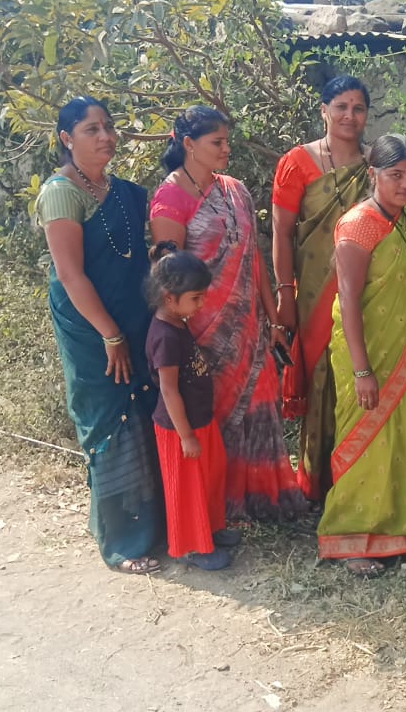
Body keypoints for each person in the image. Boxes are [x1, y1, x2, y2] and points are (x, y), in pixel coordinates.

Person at [317, 134, 406, 577]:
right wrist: (362, 370)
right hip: (366, 353)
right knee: (366, 440)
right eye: (395, 175)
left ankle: (399, 533)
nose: (405, 185)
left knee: (404, 440)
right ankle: (350, 537)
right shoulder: (358, 226)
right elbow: (348, 300)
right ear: (373, 175)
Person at [150, 105, 304, 521]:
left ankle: (262, 498)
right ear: (188, 144)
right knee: (213, 412)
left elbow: (252, 257)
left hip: (250, 326)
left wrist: (273, 319)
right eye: (217, 142)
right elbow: (170, 279)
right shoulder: (170, 199)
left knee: (261, 404)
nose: (226, 149)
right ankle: (220, 506)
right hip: (202, 330)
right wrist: (177, 340)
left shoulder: (235, 189)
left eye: (227, 142)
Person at [35, 96, 164, 574]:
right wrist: (111, 335)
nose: (106, 136)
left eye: (108, 127)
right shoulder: (60, 193)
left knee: (145, 410)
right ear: (66, 138)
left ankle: (158, 526)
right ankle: (123, 540)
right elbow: (71, 275)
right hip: (92, 330)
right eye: (92, 129)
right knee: (109, 418)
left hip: (133, 317)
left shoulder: (122, 191)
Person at [271, 76, 373, 502]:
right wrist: (285, 292)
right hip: (314, 294)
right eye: (341, 106)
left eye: (358, 108)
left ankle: (360, 481)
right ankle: (318, 483)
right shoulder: (297, 162)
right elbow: (281, 233)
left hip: (367, 293)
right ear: (324, 111)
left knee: (359, 374)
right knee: (321, 378)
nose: (350, 115)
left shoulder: (377, 165)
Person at [144, 244, 235, 570]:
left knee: (210, 477)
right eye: (196, 298)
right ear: (169, 298)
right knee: (187, 489)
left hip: (200, 421)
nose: (201, 304)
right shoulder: (164, 336)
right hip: (179, 429)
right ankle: (193, 547)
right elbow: (169, 391)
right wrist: (186, 436)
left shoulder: (178, 322)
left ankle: (211, 530)